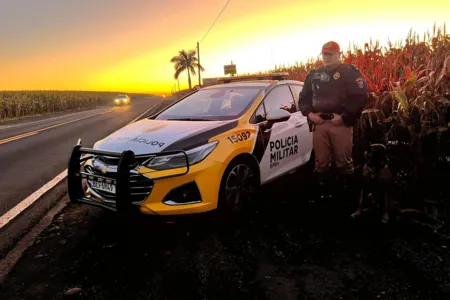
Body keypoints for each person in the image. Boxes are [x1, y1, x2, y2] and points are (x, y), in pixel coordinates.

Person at [299, 41, 369, 200]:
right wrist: (310, 115)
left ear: (339, 55)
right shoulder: (313, 75)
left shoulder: (350, 72)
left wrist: (345, 117)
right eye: (324, 54)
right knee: (321, 163)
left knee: (343, 162)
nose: (327, 57)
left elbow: (360, 96)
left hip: (340, 123)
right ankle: (324, 195)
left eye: (331, 54)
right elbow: (304, 98)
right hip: (320, 123)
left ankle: (346, 197)